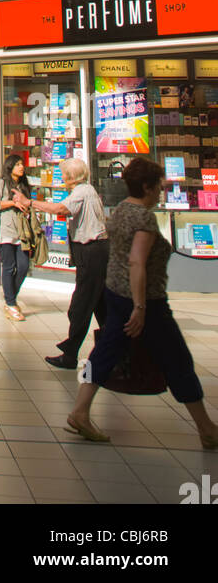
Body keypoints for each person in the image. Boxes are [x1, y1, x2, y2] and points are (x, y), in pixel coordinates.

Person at [66, 157, 218, 449]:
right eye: (158, 186)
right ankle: (206, 427)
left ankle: (80, 410)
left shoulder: (122, 210)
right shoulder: (144, 218)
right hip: (145, 301)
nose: (161, 191)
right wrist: (140, 307)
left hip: (116, 293)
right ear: (147, 187)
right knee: (178, 359)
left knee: (103, 353)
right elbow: (137, 262)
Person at [27, 158, 108, 368]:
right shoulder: (86, 191)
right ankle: (114, 349)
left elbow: (60, 210)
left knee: (80, 305)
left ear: (71, 177)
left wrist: (31, 203)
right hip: (92, 252)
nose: (61, 178)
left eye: (63, 174)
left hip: (91, 252)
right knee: (100, 305)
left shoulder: (82, 192)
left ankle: (71, 353)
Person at [0, 153, 32, 320]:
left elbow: (29, 205)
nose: (21, 167)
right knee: (9, 266)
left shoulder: (24, 185)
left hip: (21, 233)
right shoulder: (1, 184)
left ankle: (10, 299)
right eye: (17, 164)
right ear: (10, 167)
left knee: (23, 266)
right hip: (4, 233)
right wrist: (13, 203)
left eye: (22, 164)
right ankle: (11, 303)